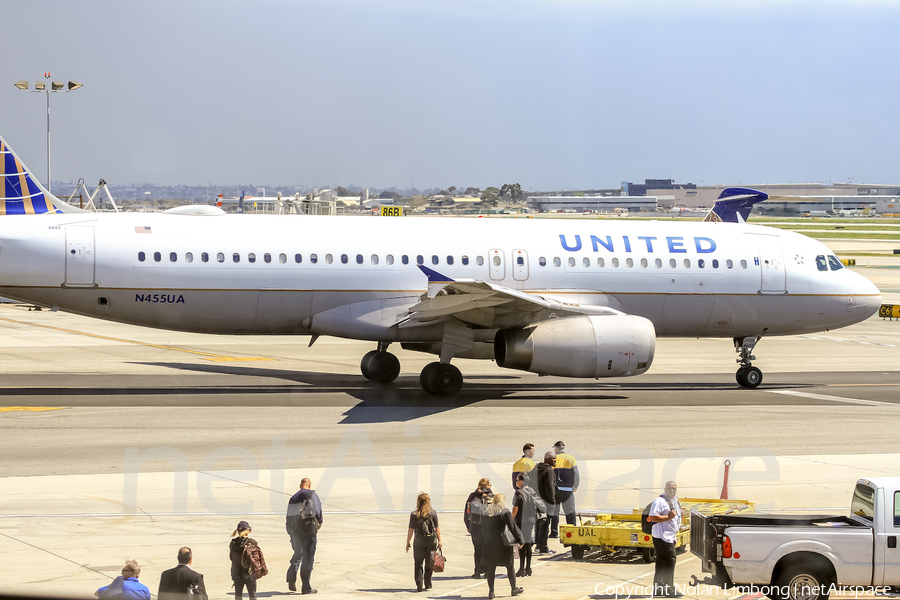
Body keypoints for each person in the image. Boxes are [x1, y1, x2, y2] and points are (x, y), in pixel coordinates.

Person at [478, 494, 524, 599]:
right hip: (503, 545)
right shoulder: (505, 513)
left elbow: (483, 530)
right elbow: (513, 527)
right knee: (510, 566)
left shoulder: (486, 513)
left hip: (489, 544)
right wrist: (520, 540)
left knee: (491, 568)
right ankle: (513, 588)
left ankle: (491, 592)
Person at [285, 477, 323, 594]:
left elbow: (288, 517)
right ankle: (306, 587)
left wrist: (290, 532)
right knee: (308, 557)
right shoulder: (312, 494)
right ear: (309, 486)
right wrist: (319, 523)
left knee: (298, 553)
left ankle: (291, 577)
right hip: (308, 531)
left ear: (300, 485)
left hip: (295, 531)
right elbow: (317, 510)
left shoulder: (293, 498)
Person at [648, 481, 683, 598]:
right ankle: (669, 590)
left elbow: (676, 515)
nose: (672, 491)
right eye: (670, 488)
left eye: (674, 489)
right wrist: (668, 517)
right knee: (670, 561)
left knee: (662, 562)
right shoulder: (659, 501)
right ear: (665, 489)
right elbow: (652, 517)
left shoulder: (674, 501)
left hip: (669, 537)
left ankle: (659, 589)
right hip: (662, 536)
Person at [405, 492, 443, 592]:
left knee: (418, 563)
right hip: (431, 542)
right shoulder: (433, 513)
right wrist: (440, 540)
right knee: (429, 563)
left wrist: (408, 542)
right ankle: (427, 582)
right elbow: (437, 528)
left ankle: (419, 584)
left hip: (419, 542)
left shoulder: (414, 514)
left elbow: (411, 529)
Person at [511, 473, 541, 577]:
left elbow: (515, 509)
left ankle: (521, 569)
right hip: (530, 521)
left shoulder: (518, 493)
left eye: (517, 480)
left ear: (522, 482)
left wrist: (511, 520)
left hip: (520, 522)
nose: (516, 482)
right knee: (528, 544)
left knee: (522, 544)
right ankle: (528, 568)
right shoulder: (532, 491)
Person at [464, 477, 494, 578]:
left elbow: (466, 511)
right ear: (489, 485)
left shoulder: (472, 496)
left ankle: (477, 572)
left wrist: (468, 525)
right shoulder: (491, 496)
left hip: (475, 526)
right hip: (488, 527)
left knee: (477, 549)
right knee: (488, 549)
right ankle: (487, 571)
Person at [552, 441, 580, 537]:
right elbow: (575, 473)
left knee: (555, 512)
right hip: (568, 490)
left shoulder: (553, 458)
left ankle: (554, 532)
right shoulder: (571, 458)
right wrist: (576, 485)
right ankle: (572, 530)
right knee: (570, 512)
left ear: (556, 448)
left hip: (555, 490)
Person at [230, 521, 259, 600]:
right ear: (248, 531)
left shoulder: (233, 543)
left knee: (238, 595)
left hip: (237, 573)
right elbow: (256, 558)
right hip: (249, 573)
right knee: (252, 595)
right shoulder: (252, 542)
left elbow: (231, 557)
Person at [534, 451, 556, 555]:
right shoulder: (549, 470)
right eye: (554, 459)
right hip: (546, 502)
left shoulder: (536, 468)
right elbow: (550, 487)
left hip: (536, 501)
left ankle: (538, 545)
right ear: (548, 459)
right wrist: (552, 502)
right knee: (545, 525)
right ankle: (543, 548)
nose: (555, 461)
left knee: (538, 523)